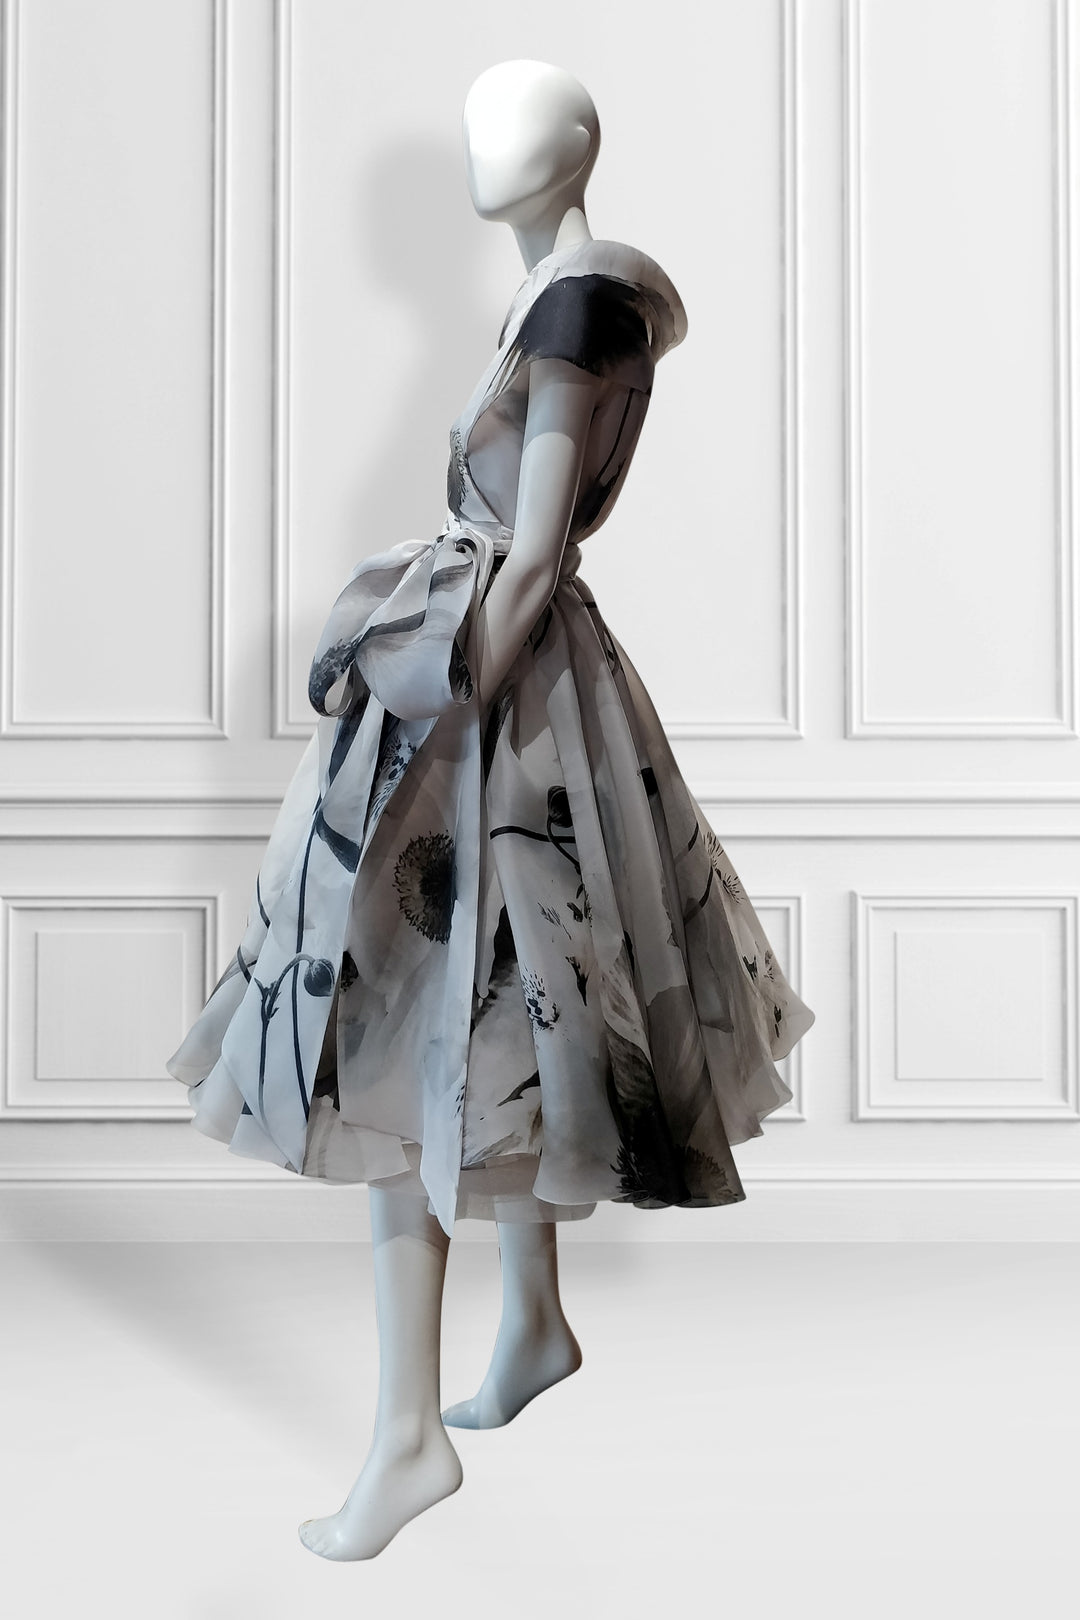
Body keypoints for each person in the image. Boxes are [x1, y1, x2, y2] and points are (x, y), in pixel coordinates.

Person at [166, 58, 816, 1561]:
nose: (484, 143)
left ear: (576, 146)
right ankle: (532, 1320)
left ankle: (406, 1438)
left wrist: (439, 695)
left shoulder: (578, 303)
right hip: (535, 683)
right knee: (518, 1010)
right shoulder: (570, 296)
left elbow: (530, 555)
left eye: (516, 121)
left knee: (407, 1036)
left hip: (497, 692)